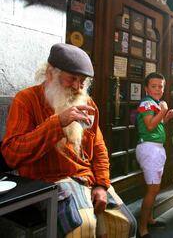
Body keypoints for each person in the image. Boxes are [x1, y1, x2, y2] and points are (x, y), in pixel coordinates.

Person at [1, 43, 136, 237]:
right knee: (81, 227)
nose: (78, 87)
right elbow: (11, 154)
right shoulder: (26, 100)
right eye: (72, 78)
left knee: (125, 224)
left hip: (87, 179)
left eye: (82, 81)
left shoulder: (87, 103)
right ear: (50, 74)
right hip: (48, 181)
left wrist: (101, 185)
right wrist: (58, 123)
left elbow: (99, 149)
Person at [135, 72, 173, 238]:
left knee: (153, 187)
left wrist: (166, 118)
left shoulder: (154, 103)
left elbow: (155, 124)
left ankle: (149, 219)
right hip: (149, 148)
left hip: (155, 148)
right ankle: (142, 227)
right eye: (154, 86)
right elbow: (150, 126)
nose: (158, 89)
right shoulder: (147, 102)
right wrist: (164, 110)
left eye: (161, 86)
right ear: (146, 88)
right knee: (153, 189)